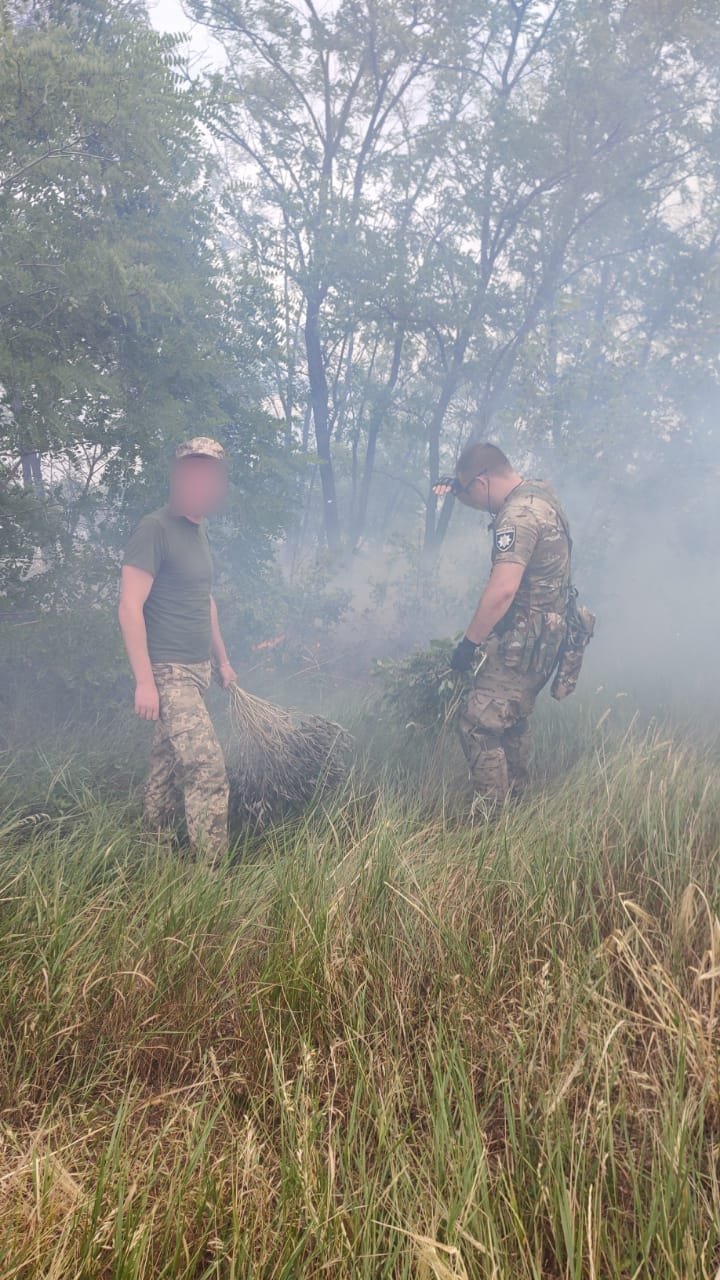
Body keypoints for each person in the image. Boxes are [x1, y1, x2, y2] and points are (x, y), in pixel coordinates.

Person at [433, 442, 571, 811]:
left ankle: (492, 818)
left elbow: (503, 590)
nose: (480, 506)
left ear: (482, 480)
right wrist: (457, 488)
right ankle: (518, 799)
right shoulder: (541, 497)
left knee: (477, 723)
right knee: (510, 717)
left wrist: (468, 644)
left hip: (524, 640)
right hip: (544, 638)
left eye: (473, 495)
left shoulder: (518, 516)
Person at [118, 437, 236, 861]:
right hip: (168, 672)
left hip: (199, 668)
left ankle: (156, 855)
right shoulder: (155, 528)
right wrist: (145, 682)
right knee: (206, 770)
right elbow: (130, 607)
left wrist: (222, 660)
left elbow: (205, 600)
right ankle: (212, 877)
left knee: (165, 768)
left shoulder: (199, 530)